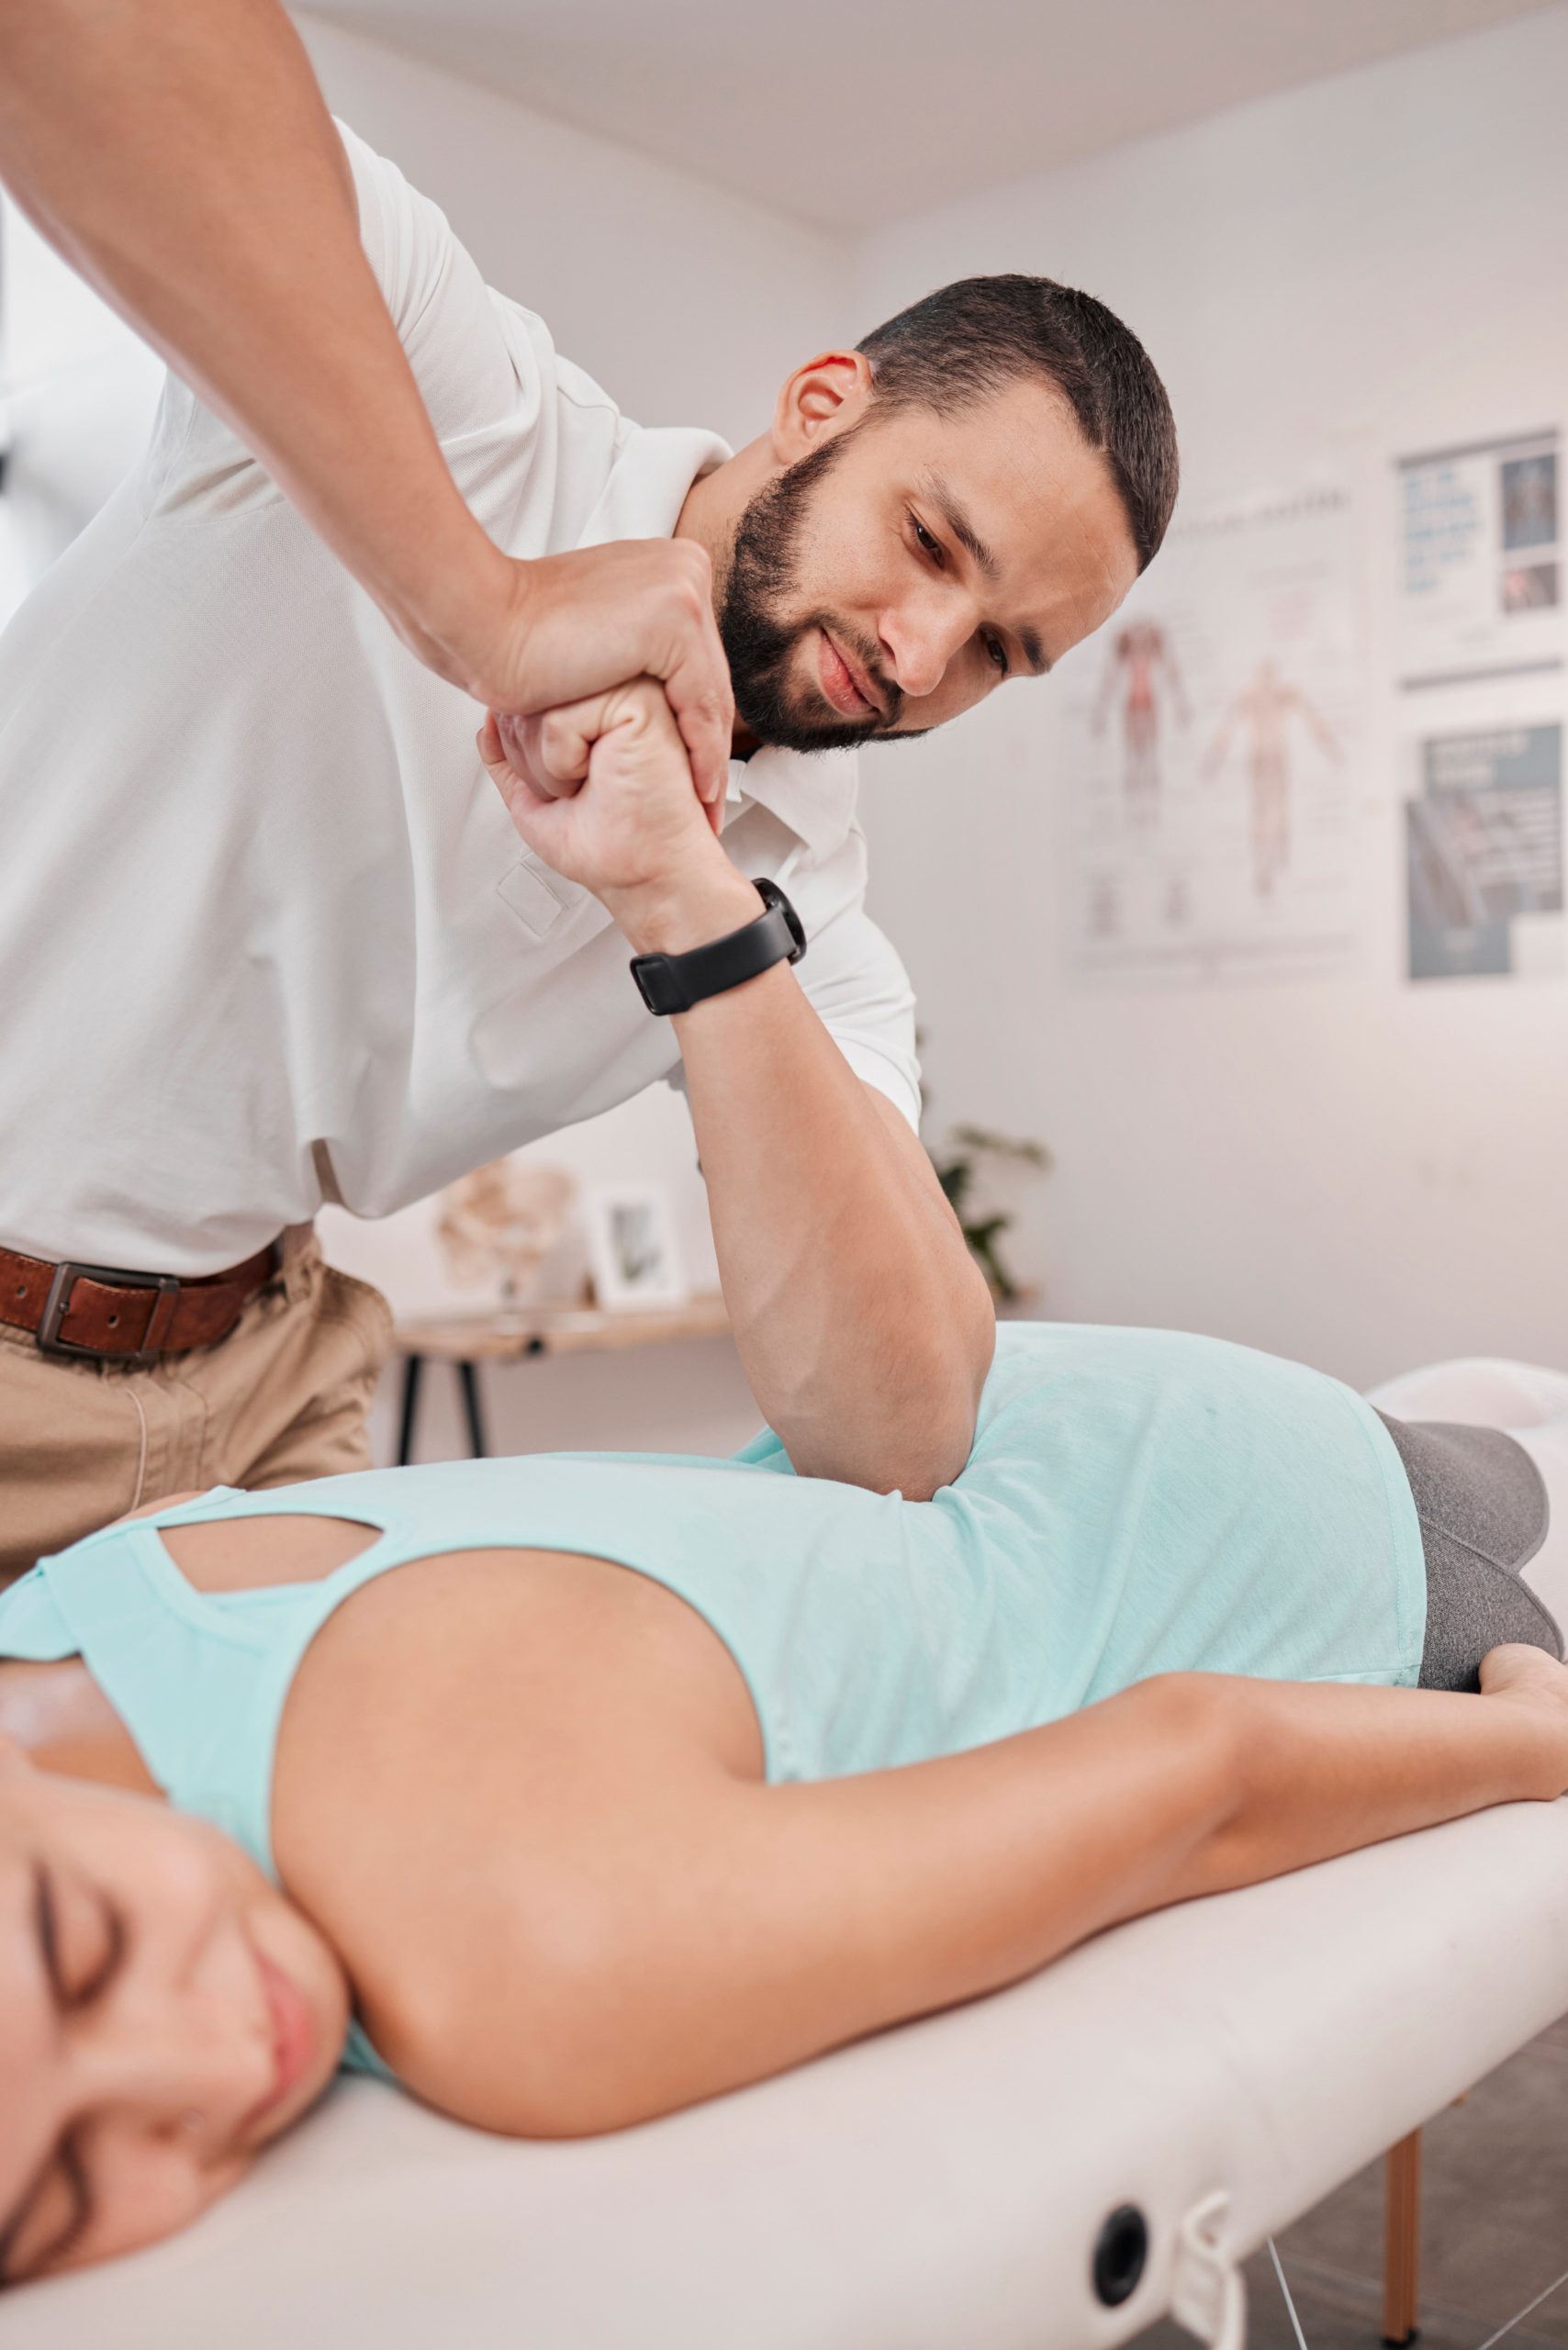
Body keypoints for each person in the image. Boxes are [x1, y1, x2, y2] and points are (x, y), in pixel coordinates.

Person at [0, 0, 1178, 1572]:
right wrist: (482, 603)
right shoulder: (471, 403)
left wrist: (693, 909)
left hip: (258, 1387)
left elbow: (897, 1433)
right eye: (930, 545)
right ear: (822, 404)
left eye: (1001, 653)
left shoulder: (802, 918)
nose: (921, 656)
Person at [1, 1320, 1565, 2285]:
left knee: (1507, 1474)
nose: (209, 2062)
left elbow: (1204, 1768)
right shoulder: (41, 1621)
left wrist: (1528, 1744)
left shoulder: (515, 1953)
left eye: (79, 1949)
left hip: (1292, 1562)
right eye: (65, 2193)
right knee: (1502, 1433)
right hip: (1070, 1405)